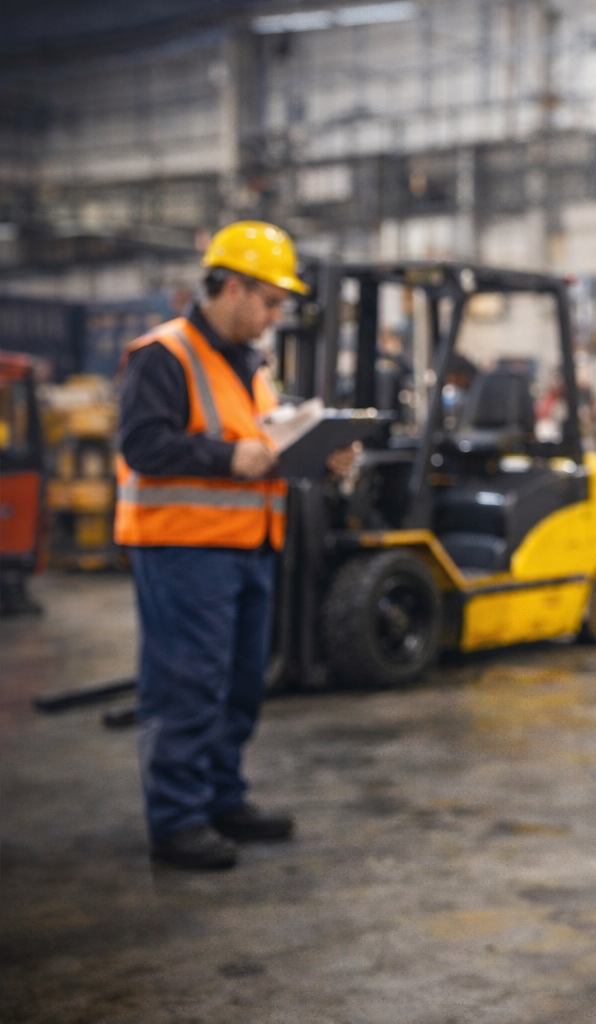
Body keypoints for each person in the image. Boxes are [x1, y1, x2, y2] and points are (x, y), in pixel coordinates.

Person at [116, 221, 343, 870]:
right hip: (184, 549)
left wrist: (319, 451)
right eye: (270, 302)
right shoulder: (163, 355)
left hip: (247, 545)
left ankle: (220, 798)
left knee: (240, 684)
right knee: (189, 683)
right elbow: (143, 445)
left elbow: (264, 445)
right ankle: (178, 820)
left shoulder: (250, 367)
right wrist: (227, 456)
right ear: (235, 287)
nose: (275, 317)